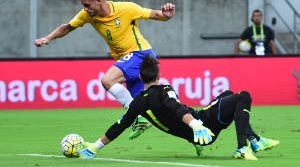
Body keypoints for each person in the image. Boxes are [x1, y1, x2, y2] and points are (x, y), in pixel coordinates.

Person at [33, 0, 175, 139]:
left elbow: (155, 14)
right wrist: (48, 38)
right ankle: (190, 128)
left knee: (108, 80)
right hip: (127, 61)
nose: (85, 8)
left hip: (141, 54)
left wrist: (165, 15)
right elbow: (67, 27)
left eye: (87, 4)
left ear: (98, 1)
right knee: (152, 108)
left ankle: (135, 114)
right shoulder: (87, 15)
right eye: (83, 5)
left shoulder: (126, 9)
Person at [78, 54, 280, 160]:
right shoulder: (164, 90)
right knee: (243, 96)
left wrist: (95, 146)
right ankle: (242, 147)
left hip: (197, 133)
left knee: (227, 94)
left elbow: (120, 125)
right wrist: (196, 125)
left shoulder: (138, 102)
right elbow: (176, 107)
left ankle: (254, 139)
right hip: (204, 125)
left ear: (140, 77)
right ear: (158, 76)